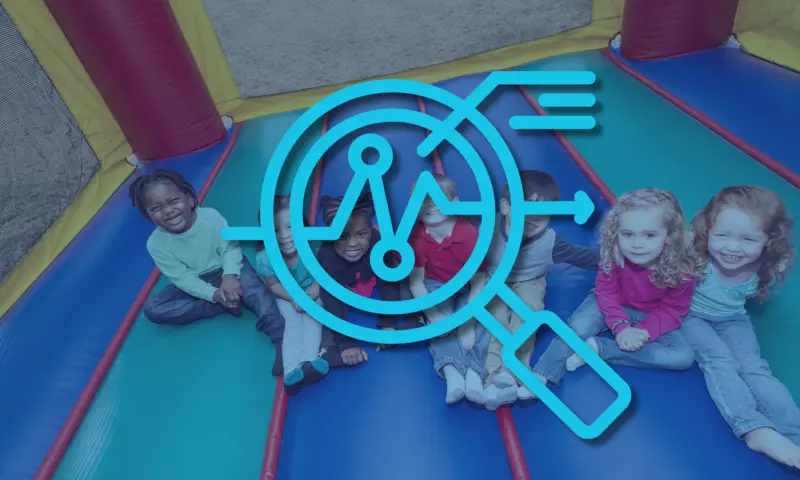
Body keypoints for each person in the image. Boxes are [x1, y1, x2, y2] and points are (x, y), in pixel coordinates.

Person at [680, 185, 800, 470]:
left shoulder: (769, 262)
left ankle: (794, 433)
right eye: (722, 236)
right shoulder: (695, 251)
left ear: (768, 241)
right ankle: (753, 429)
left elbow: (770, 270)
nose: (733, 248)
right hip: (690, 314)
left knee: (755, 368)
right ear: (708, 231)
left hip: (733, 318)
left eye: (747, 239)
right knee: (719, 359)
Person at [531, 188, 698, 389]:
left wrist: (643, 333)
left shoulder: (681, 271)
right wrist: (621, 326)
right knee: (579, 326)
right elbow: (606, 292)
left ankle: (599, 349)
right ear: (617, 232)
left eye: (649, 235)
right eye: (627, 234)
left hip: (652, 313)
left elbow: (673, 309)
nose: (637, 244)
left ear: (669, 235)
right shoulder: (614, 255)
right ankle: (541, 374)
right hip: (610, 302)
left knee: (683, 356)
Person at [132, 169, 285, 371]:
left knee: (257, 293)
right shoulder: (156, 244)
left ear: (190, 200)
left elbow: (230, 249)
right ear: (148, 215)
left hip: (227, 267)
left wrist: (230, 277)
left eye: (174, 201)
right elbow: (183, 278)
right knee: (153, 308)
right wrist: (214, 295)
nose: (168, 211)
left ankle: (281, 339)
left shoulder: (210, 218)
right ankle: (222, 305)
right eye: (157, 208)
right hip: (199, 280)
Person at [483, 170, 601, 411]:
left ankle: (509, 370)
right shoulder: (489, 227)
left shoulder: (551, 242)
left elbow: (585, 257)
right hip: (495, 279)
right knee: (497, 320)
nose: (533, 217)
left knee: (529, 312)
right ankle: (495, 376)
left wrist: (618, 258)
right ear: (505, 207)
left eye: (543, 213)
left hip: (529, 279)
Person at [409, 173, 490, 405]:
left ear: (454, 204)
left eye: (437, 203)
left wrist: (468, 324)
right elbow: (416, 282)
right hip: (436, 283)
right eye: (424, 205)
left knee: (483, 318)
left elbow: (478, 281)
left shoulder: (468, 235)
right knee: (438, 322)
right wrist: (434, 317)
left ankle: (474, 373)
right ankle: (452, 371)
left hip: (468, 285)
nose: (431, 208)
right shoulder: (417, 237)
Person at [316, 191, 421, 368]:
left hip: (376, 275)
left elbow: (389, 283)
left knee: (404, 282)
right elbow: (331, 300)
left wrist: (387, 326)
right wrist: (346, 344)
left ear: (370, 230)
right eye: (342, 236)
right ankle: (328, 349)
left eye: (361, 234)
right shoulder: (326, 255)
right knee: (322, 308)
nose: (352, 244)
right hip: (346, 287)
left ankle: (415, 321)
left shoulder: (379, 244)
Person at [255, 195, 328, 394]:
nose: (284, 236)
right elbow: (272, 284)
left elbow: (323, 272)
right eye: (276, 230)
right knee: (293, 324)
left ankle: (308, 361)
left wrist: (314, 288)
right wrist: (293, 298)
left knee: (314, 317)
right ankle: (290, 372)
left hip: (310, 290)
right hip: (287, 294)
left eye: (290, 227)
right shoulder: (266, 258)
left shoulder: (313, 245)